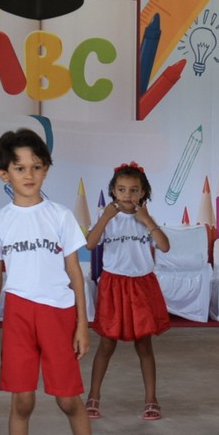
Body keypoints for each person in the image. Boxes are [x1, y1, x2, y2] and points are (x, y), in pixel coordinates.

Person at [0, 127, 105, 435]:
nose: (28, 174)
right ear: (4, 174)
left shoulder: (60, 216)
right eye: (19, 168)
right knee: (23, 401)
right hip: (18, 315)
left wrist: (83, 323)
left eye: (36, 166)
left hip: (58, 314)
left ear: (47, 170)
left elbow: (76, 275)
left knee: (69, 399)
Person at [84, 162, 171, 421]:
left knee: (144, 345)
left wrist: (147, 220)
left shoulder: (145, 218)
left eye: (134, 190)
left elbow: (164, 246)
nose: (127, 195)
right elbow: (90, 244)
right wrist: (105, 217)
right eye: (121, 189)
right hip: (114, 285)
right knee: (106, 343)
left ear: (143, 192)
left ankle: (151, 399)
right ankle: (93, 396)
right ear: (113, 190)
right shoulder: (107, 216)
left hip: (141, 285)